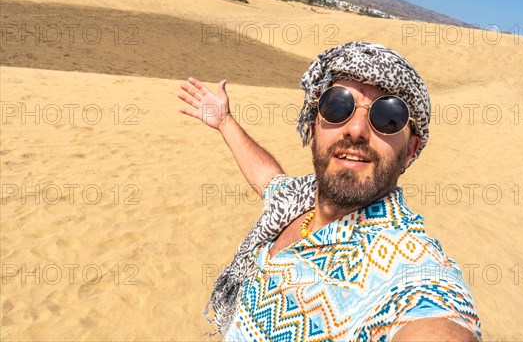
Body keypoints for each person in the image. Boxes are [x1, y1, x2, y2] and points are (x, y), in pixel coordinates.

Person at [178, 41, 481, 341]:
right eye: (338, 106)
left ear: (411, 151)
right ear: (312, 130)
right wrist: (224, 121)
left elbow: (434, 316)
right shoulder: (298, 198)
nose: (357, 130)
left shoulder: (405, 262)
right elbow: (268, 178)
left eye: (388, 117)